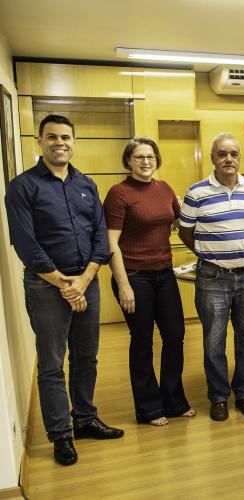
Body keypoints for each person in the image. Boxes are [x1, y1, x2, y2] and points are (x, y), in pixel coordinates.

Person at [5, 115, 123, 466]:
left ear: (74, 141)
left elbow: (100, 236)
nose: (60, 142)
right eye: (52, 136)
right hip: (45, 287)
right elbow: (25, 243)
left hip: (87, 281)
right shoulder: (22, 186)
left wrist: (85, 279)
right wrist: (64, 284)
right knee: (53, 365)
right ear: (39, 141)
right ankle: (60, 435)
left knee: (86, 357)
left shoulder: (86, 183)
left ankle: (85, 419)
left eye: (66, 137)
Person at [105, 137, 195, 426]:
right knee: (142, 341)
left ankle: (174, 401)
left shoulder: (165, 188)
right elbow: (111, 244)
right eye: (139, 157)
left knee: (175, 336)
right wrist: (124, 285)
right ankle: (149, 408)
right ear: (128, 161)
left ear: (157, 160)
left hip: (164, 273)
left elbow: (184, 223)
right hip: (134, 276)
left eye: (150, 157)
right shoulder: (119, 193)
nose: (146, 162)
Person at [178, 133, 244, 421]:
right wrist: (208, 253)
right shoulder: (196, 192)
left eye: (234, 154)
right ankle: (218, 397)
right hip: (213, 278)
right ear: (212, 157)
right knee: (214, 341)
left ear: (239, 157)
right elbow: (185, 232)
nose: (229, 159)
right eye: (222, 154)